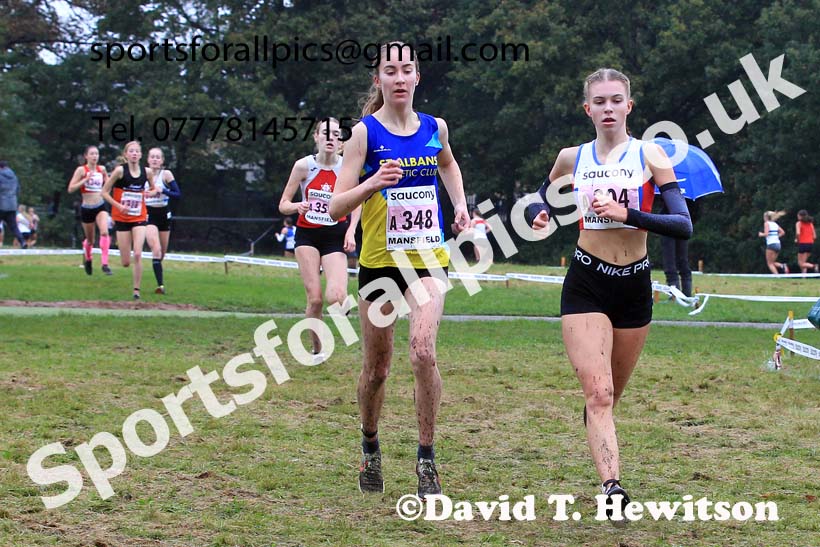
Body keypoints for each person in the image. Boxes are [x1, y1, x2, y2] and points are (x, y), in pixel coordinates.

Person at [525, 68, 692, 515]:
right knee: (598, 395)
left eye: (616, 100)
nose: (608, 109)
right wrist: (543, 210)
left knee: (611, 394)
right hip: (587, 282)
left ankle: (598, 432)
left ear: (629, 106)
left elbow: (683, 225)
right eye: (599, 102)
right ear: (587, 109)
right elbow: (545, 191)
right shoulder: (571, 157)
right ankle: (612, 489)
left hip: (634, 286)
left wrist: (628, 213)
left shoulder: (651, 155)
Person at [329, 42, 469, 499]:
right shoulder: (363, 135)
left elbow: (448, 164)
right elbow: (334, 207)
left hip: (428, 259)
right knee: (377, 370)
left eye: (407, 69)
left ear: (417, 77)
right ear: (379, 81)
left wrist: (461, 206)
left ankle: (426, 459)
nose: (400, 77)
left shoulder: (435, 128)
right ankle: (370, 445)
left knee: (423, 351)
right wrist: (373, 182)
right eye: (391, 70)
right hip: (380, 266)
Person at [278, 118, 360, 362]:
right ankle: (317, 349)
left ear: (341, 141)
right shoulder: (303, 166)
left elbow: (358, 202)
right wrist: (297, 205)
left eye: (336, 134)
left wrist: (351, 231)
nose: (331, 138)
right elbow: (283, 204)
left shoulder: (347, 167)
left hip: (335, 235)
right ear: (316, 137)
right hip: (307, 235)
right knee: (314, 298)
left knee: (335, 296)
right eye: (325, 133)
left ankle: (344, 308)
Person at [102, 141, 154, 299]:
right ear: (126, 154)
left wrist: (151, 193)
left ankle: (136, 290)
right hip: (122, 218)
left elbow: (154, 189)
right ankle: (123, 252)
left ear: (140, 155)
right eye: (131, 151)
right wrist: (118, 206)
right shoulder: (119, 171)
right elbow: (104, 192)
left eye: (137, 151)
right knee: (125, 262)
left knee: (138, 253)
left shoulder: (147, 172)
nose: (134, 154)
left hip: (139, 217)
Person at [67, 146, 113, 275]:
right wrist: (84, 180)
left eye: (97, 154)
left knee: (104, 232)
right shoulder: (81, 170)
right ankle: (88, 258)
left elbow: (108, 186)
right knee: (91, 240)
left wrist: (109, 180)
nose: (95, 156)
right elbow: (70, 189)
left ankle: (105, 264)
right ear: (86, 156)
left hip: (100, 205)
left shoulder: (102, 169)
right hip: (87, 207)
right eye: (92, 154)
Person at [145, 147, 182, 294]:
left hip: (164, 215)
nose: (155, 159)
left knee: (162, 254)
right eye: (152, 157)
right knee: (156, 249)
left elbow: (178, 194)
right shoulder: (143, 174)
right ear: (148, 160)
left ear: (162, 161)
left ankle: (157, 272)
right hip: (149, 215)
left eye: (157, 157)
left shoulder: (166, 174)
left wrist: (163, 190)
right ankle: (160, 286)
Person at [660, 201, 693, 296]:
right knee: (671, 261)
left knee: (680, 260)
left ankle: (686, 293)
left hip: (679, 224)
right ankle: (675, 293)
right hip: (668, 224)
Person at [0, 160, 26, 248]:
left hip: (1, 204)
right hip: (12, 205)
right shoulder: (14, 177)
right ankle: (23, 242)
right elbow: (18, 190)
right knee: (14, 226)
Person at [758, 210, 788, 274]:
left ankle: (777, 276)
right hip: (778, 244)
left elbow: (766, 234)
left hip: (771, 244)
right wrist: (776, 237)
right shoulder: (775, 224)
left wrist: (761, 234)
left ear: (766, 217)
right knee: (772, 262)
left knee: (769, 264)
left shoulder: (766, 223)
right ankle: (782, 266)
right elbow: (783, 232)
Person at [795, 210, 818, 274]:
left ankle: (814, 266)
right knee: (804, 262)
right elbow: (815, 236)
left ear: (800, 216)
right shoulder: (810, 224)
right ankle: (804, 277)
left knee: (800, 263)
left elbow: (798, 233)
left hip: (802, 243)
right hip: (810, 244)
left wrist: (797, 239)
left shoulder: (798, 223)